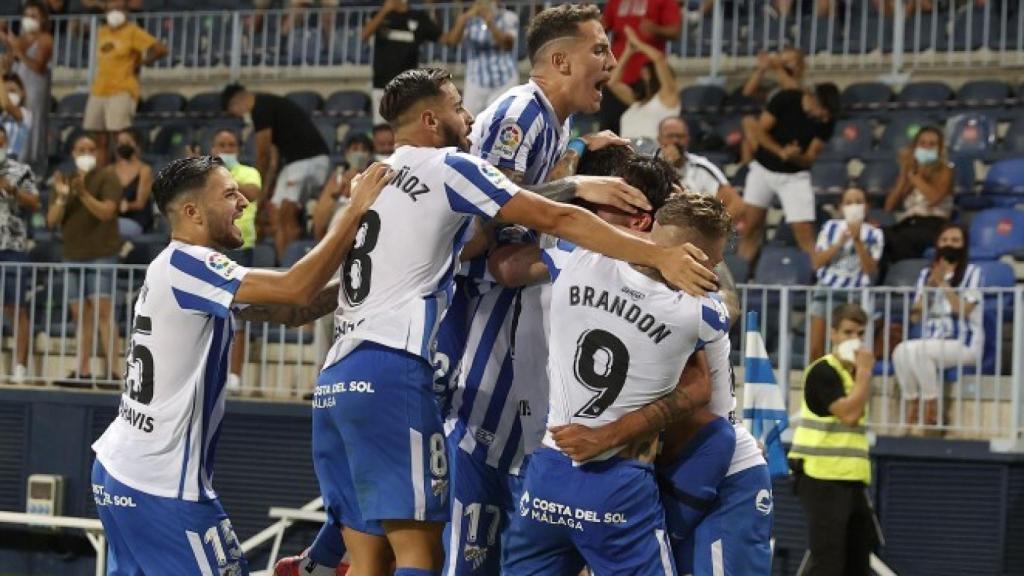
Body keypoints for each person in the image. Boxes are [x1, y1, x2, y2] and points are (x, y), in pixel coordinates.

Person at [311, 66, 715, 576]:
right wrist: (646, 243)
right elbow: (551, 222)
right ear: (433, 120)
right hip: (394, 366)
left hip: (335, 373)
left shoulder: (373, 177)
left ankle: (317, 560)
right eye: (459, 107)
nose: (471, 118)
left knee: (368, 556)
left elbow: (476, 246)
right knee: (420, 553)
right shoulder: (452, 167)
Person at [90, 155, 393, 576]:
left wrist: (380, 277)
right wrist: (355, 209)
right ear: (192, 211)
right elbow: (295, 288)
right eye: (230, 194)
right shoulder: (190, 264)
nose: (244, 203)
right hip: (159, 483)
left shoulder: (180, 270)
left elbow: (292, 311)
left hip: (123, 470)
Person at [503, 193, 732, 575]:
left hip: (548, 471)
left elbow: (510, 260)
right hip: (619, 485)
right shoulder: (702, 315)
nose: (718, 265)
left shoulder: (576, 259)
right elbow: (719, 327)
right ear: (697, 260)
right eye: (716, 258)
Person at [788, 303, 878, 576]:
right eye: (848, 332)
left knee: (858, 559)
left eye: (860, 333)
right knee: (828, 560)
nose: (856, 340)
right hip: (821, 477)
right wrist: (864, 373)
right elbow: (849, 415)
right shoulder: (822, 372)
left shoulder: (853, 377)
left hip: (851, 479)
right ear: (833, 334)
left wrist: (860, 375)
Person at [222, 83, 331, 262]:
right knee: (275, 213)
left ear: (235, 104)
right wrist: (265, 192)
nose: (241, 117)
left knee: (285, 216)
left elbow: (263, 154)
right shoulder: (271, 106)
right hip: (295, 165)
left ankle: (294, 268)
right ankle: (283, 263)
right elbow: (273, 159)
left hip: (307, 161)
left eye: (236, 113)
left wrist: (260, 183)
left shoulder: (260, 109)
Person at [46, 135, 122, 388]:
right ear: (73, 152)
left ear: (98, 153)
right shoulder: (63, 180)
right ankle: (83, 370)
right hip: (72, 254)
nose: (87, 152)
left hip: (101, 252)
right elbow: (51, 220)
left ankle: (114, 371)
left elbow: (107, 212)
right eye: (82, 149)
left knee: (103, 312)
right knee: (79, 315)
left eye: (91, 149)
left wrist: (83, 194)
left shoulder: (108, 176)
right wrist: (62, 197)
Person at [892, 224, 982, 430]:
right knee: (900, 351)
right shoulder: (926, 275)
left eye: (955, 240)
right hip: (932, 341)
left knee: (920, 351)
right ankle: (913, 401)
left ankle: (931, 406)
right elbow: (915, 317)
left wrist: (943, 284)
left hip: (963, 342)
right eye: (945, 240)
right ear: (937, 245)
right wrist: (928, 288)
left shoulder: (973, 272)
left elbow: (964, 310)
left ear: (964, 245)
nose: (949, 244)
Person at [737, 83, 840, 262]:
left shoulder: (826, 122)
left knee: (804, 230)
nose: (824, 118)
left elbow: (809, 158)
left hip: (795, 176)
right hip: (762, 169)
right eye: (823, 111)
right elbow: (760, 132)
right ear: (815, 100)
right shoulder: (785, 99)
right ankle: (741, 272)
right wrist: (780, 152)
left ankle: (813, 275)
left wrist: (794, 157)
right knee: (751, 227)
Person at [207, 129, 264, 395]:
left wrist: (219, 183)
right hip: (210, 247)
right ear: (213, 147)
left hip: (242, 248)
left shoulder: (248, 172)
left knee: (237, 316)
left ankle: (235, 376)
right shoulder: (205, 174)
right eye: (222, 144)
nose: (227, 149)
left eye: (231, 145)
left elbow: (252, 191)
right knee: (210, 314)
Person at [83, 0, 168, 167]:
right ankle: (103, 176)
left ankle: (125, 174)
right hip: (99, 89)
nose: (115, 11)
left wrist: (144, 62)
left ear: (127, 11)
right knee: (98, 138)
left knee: (120, 138)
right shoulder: (102, 31)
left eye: (119, 8)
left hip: (122, 88)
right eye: (111, 7)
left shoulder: (133, 31)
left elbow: (160, 49)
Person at [809, 187, 883, 361]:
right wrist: (839, 243)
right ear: (841, 208)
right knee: (816, 348)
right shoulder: (830, 227)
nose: (854, 206)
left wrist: (857, 240)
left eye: (859, 201)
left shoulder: (875, 233)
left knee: (851, 348)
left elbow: (870, 270)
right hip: (826, 290)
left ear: (866, 207)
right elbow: (817, 262)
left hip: (856, 293)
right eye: (849, 202)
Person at [599, 0, 681, 134]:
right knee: (608, 131)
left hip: (650, 77)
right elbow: (603, 27)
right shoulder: (615, 1)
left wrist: (652, 32)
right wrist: (629, 50)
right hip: (622, 77)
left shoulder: (667, 93)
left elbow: (674, 32)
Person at [0, 125, 40, 384]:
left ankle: (20, 367)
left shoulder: (21, 170)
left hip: (12, 246)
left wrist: (12, 190)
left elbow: (35, 203)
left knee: (17, 308)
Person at [362, 0, 442, 125]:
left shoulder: (419, 17)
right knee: (382, 130)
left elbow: (446, 39)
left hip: (408, 88)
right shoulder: (377, 14)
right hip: (381, 86)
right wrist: (384, 10)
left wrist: (461, 20)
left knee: (406, 130)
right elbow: (364, 35)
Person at [882, 126, 954, 263]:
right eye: (922, 144)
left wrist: (914, 176)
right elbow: (889, 206)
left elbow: (934, 199)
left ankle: (906, 276)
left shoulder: (946, 170)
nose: (927, 148)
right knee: (880, 236)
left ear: (939, 149)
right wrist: (904, 172)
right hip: (908, 223)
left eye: (932, 144)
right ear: (914, 147)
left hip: (933, 224)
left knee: (903, 239)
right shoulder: (910, 171)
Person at [656, 116, 744, 219]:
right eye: (670, 136)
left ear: (688, 139)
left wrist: (712, 230)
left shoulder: (702, 167)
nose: (675, 141)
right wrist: (667, 165)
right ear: (659, 139)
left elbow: (736, 204)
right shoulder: (649, 167)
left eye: (680, 136)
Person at [0, 1, 53, 171]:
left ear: (43, 19)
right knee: (16, 120)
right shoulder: (20, 39)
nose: (29, 19)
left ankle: (35, 165)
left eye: (33, 16)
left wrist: (18, 50)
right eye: (26, 15)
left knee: (34, 122)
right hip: (19, 85)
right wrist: (6, 39)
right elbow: (9, 64)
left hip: (36, 86)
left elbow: (38, 66)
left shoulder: (46, 39)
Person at [441, 1, 519, 115]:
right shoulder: (469, 19)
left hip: (504, 81)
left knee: (501, 123)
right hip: (475, 81)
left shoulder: (508, 16)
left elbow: (507, 45)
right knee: (469, 123)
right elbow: (452, 41)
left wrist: (490, 23)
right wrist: (464, 19)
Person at [607, 26, 680, 141]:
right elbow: (612, 83)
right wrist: (628, 51)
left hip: (653, 155)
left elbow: (659, 58)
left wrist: (638, 44)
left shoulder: (668, 96)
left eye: (648, 71)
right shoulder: (636, 101)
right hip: (628, 155)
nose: (643, 73)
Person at [740, 47, 807, 164]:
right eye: (783, 61)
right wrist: (761, 69)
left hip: (792, 134)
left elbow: (792, 91)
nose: (786, 65)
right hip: (770, 134)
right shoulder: (774, 88)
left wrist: (779, 68)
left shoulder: (805, 86)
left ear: (800, 66)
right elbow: (747, 92)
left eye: (789, 62)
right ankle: (746, 169)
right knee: (748, 126)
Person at [312, 134, 373, 242]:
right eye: (355, 149)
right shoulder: (336, 180)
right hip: (335, 235)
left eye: (364, 150)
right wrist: (337, 194)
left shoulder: (374, 179)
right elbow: (319, 222)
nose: (359, 153)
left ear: (369, 156)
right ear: (347, 154)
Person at [112, 129, 153, 239]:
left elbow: (140, 203)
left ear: (136, 145)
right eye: (120, 143)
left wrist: (127, 206)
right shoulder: (111, 169)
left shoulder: (144, 170)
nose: (123, 145)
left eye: (127, 142)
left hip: (136, 220)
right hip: (114, 218)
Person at [0, 73, 32, 162]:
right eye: (5, 92)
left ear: (23, 93)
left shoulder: (25, 114)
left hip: (12, 162)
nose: (8, 96)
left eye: (12, 91)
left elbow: (7, 104)